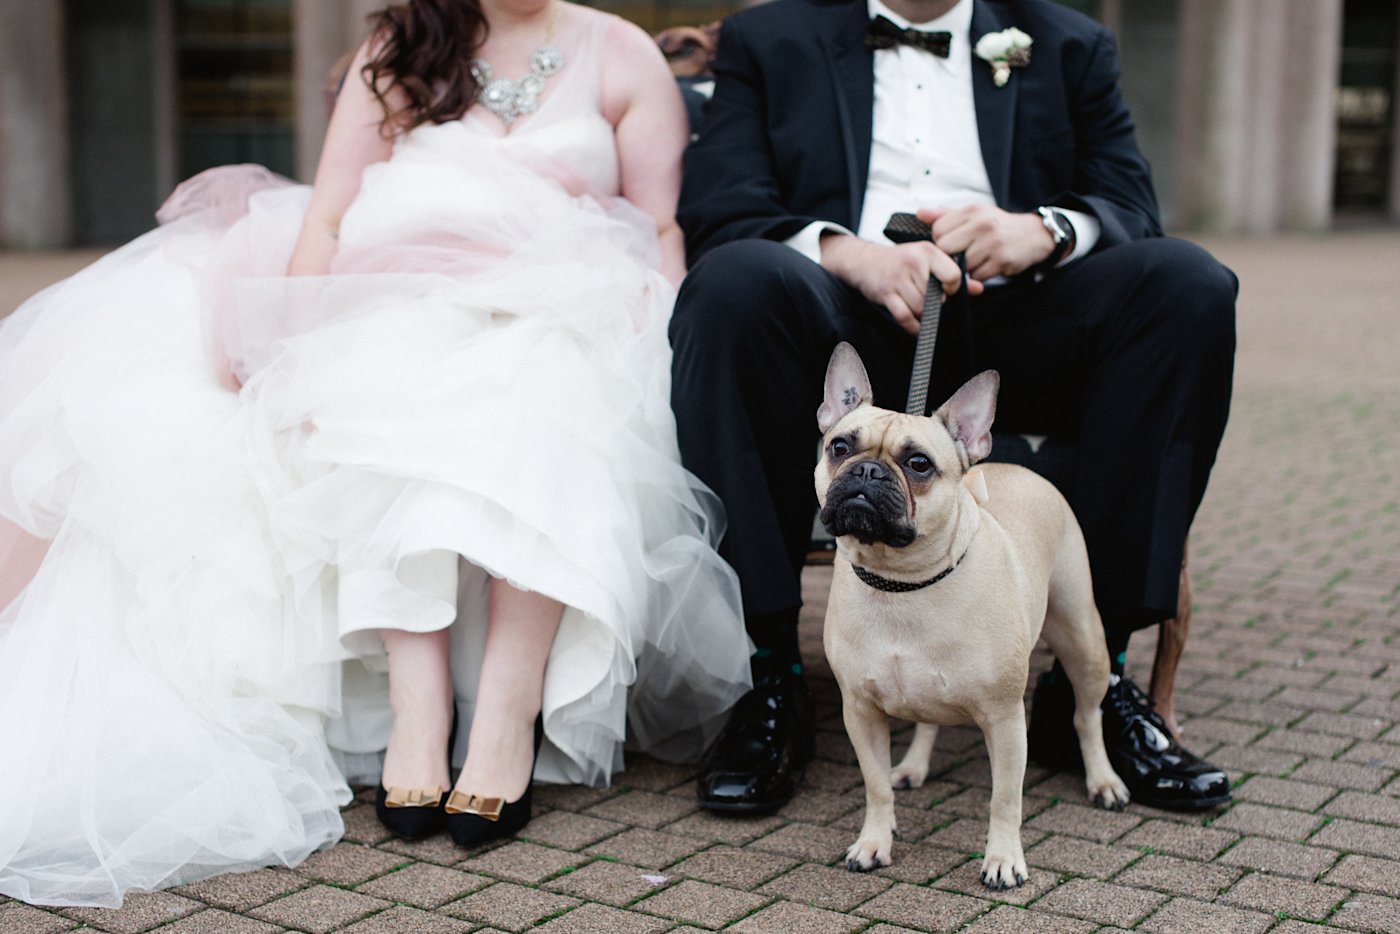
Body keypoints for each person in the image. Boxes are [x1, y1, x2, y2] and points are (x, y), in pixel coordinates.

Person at [0, 0, 750, 908]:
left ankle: (507, 715)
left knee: (551, 387)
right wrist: (293, 342)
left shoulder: (621, 52)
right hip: (396, 297)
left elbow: (657, 223)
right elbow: (328, 214)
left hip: (564, 302)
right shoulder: (399, 48)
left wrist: (659, 335)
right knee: (389, 380)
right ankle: (417, 708)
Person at [670, 0, 1237, 815]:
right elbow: (722, 208)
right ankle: (771, 677)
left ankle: (1094, 679)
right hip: (844, 316)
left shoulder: (1070, 40)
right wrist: (847, 253)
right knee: (731, 287)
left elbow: (1127, 202)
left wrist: (1045, 231)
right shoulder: (770, 37)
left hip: (1021, 315)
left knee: (1188, 289)